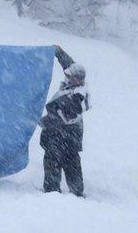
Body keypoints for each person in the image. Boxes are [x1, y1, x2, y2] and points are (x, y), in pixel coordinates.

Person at [40, 46, 90, 197]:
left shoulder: (78, 96)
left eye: (70, 76)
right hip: (65, 136)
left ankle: (53, 193)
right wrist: (58, 52)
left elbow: (66, 117)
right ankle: (76, 191)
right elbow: (69, 65)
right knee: (71, 161)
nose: (66, 77)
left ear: (77, 79)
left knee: (56, 161)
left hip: (64, 135)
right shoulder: (75, 84)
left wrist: (43, 121)